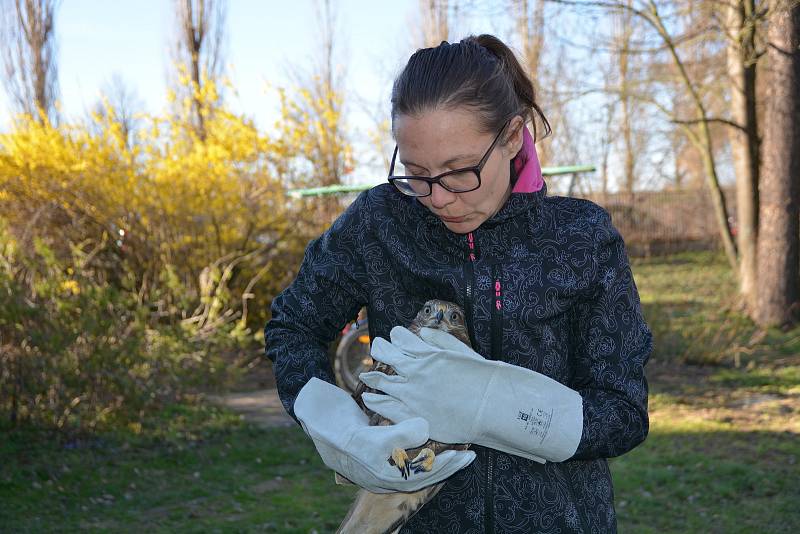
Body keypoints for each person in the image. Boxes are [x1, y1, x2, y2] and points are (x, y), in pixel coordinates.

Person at [265, 34, 652, 533]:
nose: (438, 197)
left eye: (458, 171)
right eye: (415, 172)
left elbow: (623, 413)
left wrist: (503, 406)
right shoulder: (379, 226)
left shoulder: (579, 237)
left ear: (512, 137)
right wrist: (338, 427)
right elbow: (292, 326)